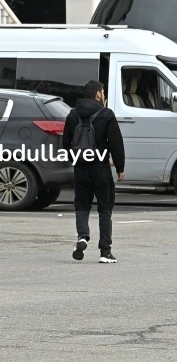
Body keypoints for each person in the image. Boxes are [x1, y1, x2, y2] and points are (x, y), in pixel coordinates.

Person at [64, 80, 125, 264]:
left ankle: (82, 236)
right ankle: (105, 252)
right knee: (105, 209)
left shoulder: (73, 114)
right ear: (98, 94)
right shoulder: (106, 114)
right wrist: (120, 168)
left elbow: (66, 142)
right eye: (103, 92)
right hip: (100, 168)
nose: (104, 95)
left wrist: (74, 160)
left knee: (82, 206)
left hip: (80, 169)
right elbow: (116, 142)